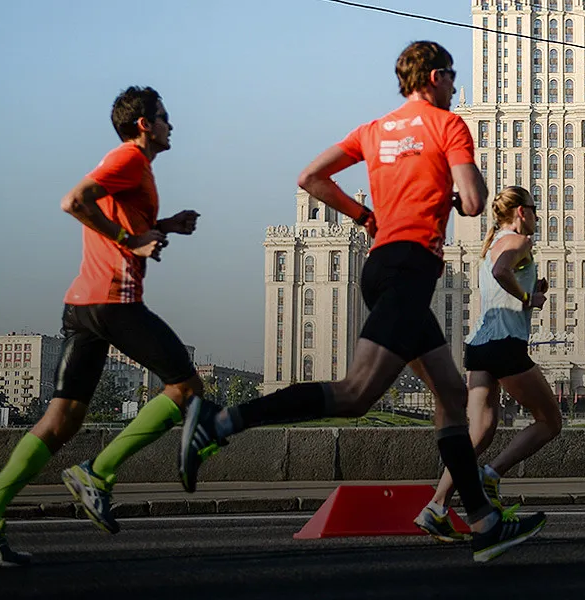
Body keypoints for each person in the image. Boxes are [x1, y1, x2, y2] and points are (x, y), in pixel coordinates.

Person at [177, 41, 544, 563]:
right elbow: (476, 202)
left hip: (380, 266)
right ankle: (220, 423)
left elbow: (310, 177)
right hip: (411, 269)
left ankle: (483, 520)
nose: (455, 87)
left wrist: (361, 214)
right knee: (355, 394)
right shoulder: (448, 125)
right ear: (436, 77)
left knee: (450, 394)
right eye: (451, 77)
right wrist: (458, 181)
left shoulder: (374, 130)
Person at [0, 86, 206, 567]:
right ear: (144, 124)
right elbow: (74, 202)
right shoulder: (129, 159)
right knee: (186, 388)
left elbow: (115, 216)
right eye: (165, 116)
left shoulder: (138, 169)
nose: (173, 124)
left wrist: (165, 226)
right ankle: (98, 473)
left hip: (82, 304)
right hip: (114, 300)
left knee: (60, 420)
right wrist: (131, 240)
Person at [413, 186, 563, 541]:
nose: (538, 217)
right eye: (534, 209)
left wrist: (529, 290)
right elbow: (501, 273)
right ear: (521, 212)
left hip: (478, 346)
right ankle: (490, 476)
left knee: (478, 433)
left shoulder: (492, 243)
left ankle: (435, 507)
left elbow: (498, 275)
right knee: (550, 421)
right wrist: (530, 297)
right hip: (504, 346)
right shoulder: (518, 242)